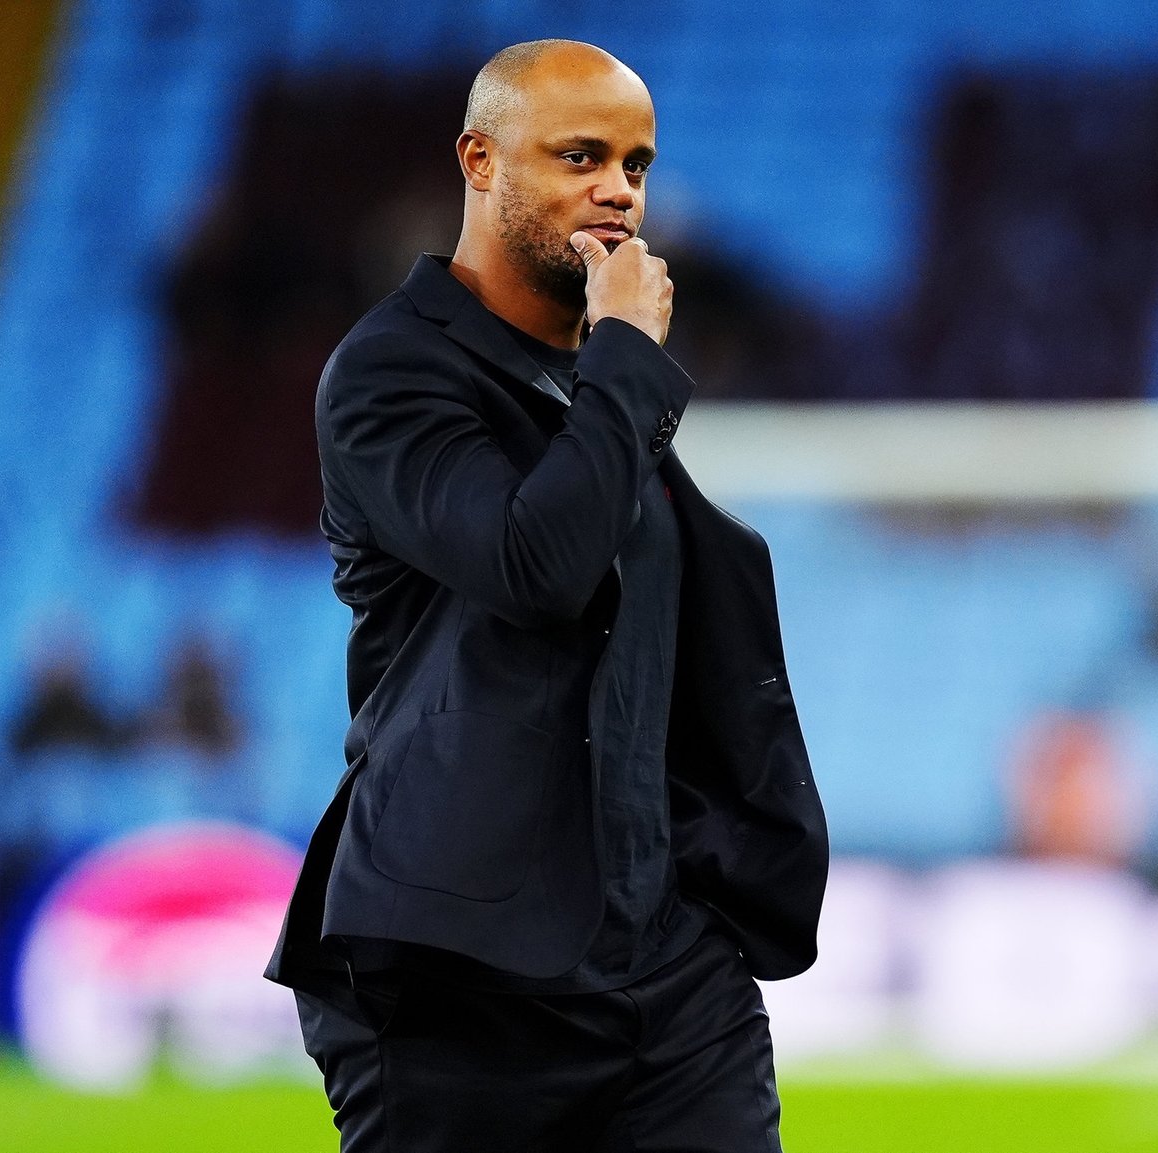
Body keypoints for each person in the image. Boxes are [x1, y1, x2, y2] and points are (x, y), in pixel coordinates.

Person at [264, 40, 829, 1152]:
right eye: (581, 156)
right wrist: (622, 351)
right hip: (457, 980)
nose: (619, 189)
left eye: (636, 163)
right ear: (479, 160)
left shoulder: (599, 389)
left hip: (666, 972)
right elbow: (537, 565)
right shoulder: (391, 372)